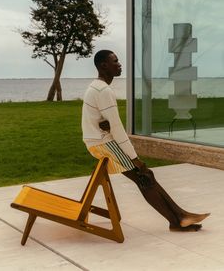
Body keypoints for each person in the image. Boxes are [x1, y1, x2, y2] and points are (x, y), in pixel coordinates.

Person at [82, 49, 210, 232]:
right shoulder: (103, 91)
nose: (119, 65)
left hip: (98, 141)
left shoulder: (96, 87)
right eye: (115, 61)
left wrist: (105, 126)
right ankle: (178, 219)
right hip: (103, 144)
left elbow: (103, 121)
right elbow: (117, 128)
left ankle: (180, 217)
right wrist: (135, 158)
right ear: (103, 66)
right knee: (144, 177)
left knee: (147, 176)